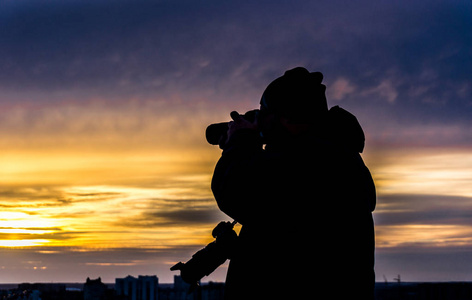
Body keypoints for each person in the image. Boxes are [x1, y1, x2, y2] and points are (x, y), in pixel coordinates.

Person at [211, 67, 376, 299]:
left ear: (287, 118)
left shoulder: (316, 160)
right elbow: (288, 243)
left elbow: (233, 192)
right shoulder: (335, 157)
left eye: (263, 112)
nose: (259, 120)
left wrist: (239, 140)